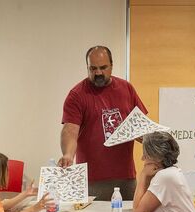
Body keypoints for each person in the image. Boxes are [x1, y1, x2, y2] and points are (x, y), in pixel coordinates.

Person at [59, 45, 147, 201]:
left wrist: (151, 141)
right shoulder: (77, 94)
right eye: (92, 68)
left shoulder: (126, 89)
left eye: (103, 67)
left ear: (112, 66)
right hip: (92, 180)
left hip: (125, 178)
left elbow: (140, 125)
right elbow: (70, 130)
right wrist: (68, 154)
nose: (98, 72)